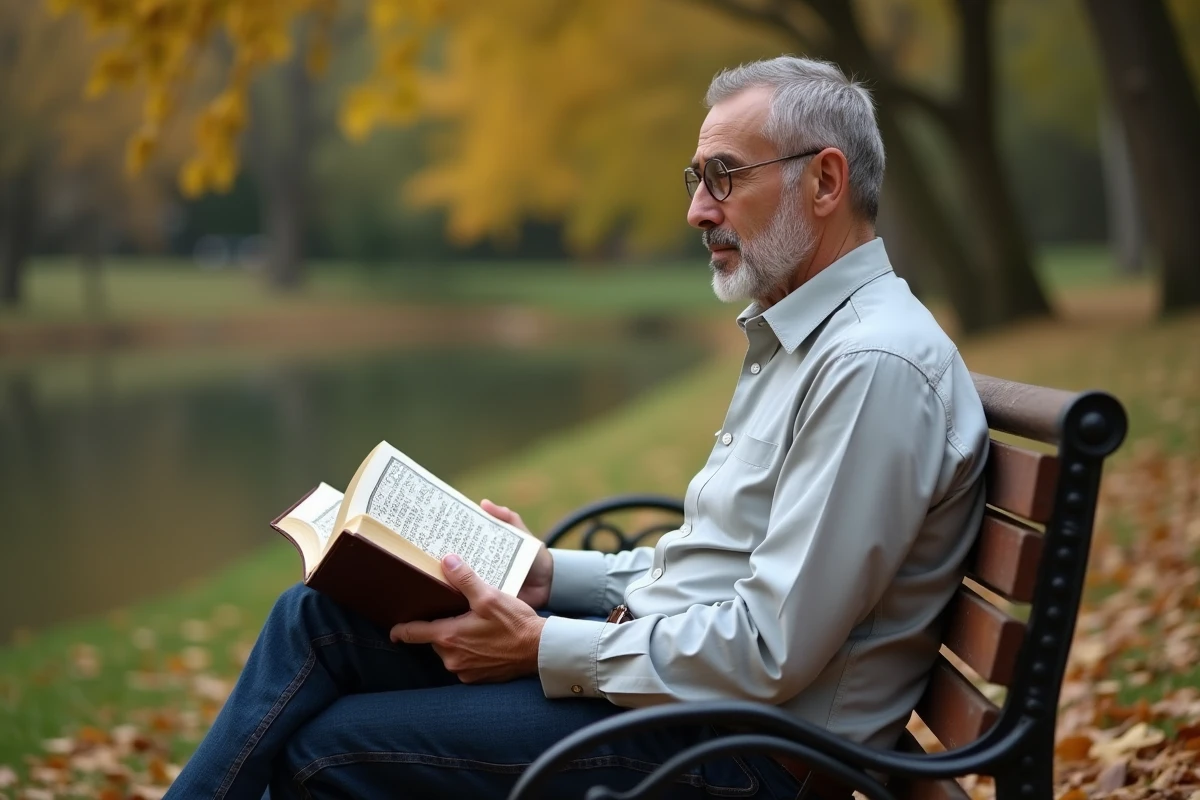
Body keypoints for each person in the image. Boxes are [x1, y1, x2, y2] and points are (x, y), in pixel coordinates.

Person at [165, 56, 988, 800]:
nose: (699, 210)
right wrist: (545, 577)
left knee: (324, 754)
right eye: (696, 178)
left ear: (825, 180)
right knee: (316, 621)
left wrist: (542, 647)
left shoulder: (870, 366)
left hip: (739, 757)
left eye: (724, 176)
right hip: (684, 706)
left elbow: (770, 649)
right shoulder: (805, 337)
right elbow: (711, 573)